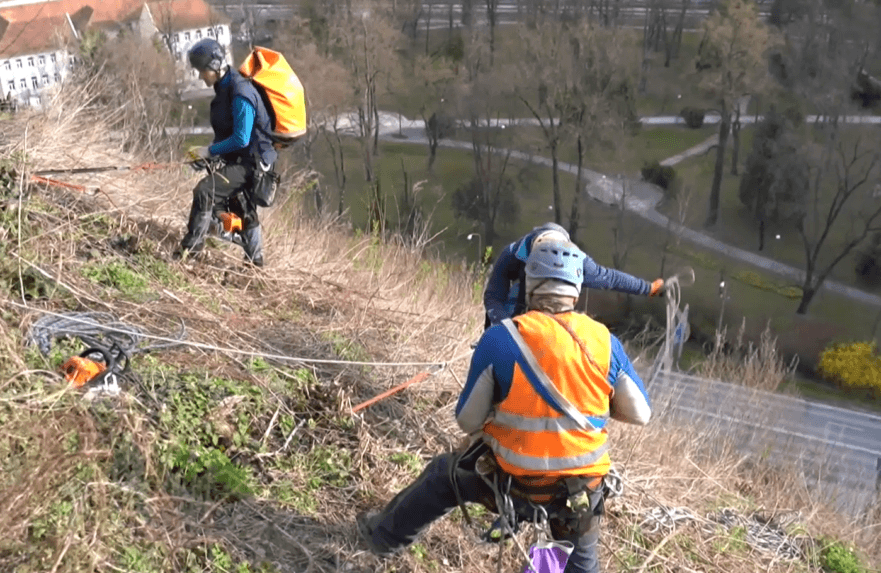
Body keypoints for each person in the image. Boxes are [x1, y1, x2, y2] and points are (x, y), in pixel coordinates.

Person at [357, 240, 652, 573]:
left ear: (529, 283)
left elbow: (467, 421)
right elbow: (641, 414)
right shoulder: (605, 342)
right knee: (582, 562)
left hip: (513, 485)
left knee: (443, 476)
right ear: (576, 288)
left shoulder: (501, 338)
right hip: (579, 492)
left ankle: (381, 540)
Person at [174, 38, 277, 267]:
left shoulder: (241, 92)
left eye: (202, 71)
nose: (200, 76)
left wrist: (209, 151)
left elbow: (242, 137)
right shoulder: (224, 89)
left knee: (205, 191)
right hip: (243, 159)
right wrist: (209, 156)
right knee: (241, 205)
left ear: (214, 66)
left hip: (253, 163)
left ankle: (190, 252)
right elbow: (228, 134)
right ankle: (255, 262)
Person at [483, 222, 665, 328]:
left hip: (558, 311)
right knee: (512, 301)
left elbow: (610, 279)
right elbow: (493, 295)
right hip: (521, 299)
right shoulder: (514, 253)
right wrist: (504, 328)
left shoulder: (576, 260)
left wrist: (647, 288)